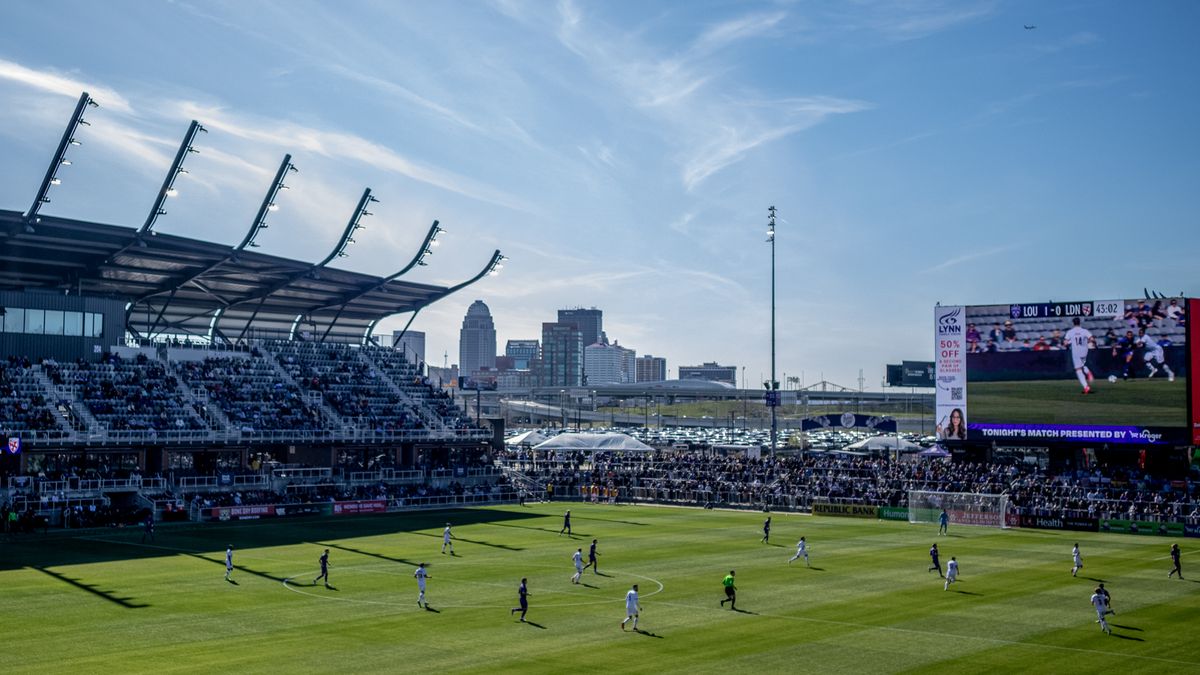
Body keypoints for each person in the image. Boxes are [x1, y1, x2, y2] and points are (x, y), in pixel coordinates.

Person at [1065, 317, 1096, 393]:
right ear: (1079, 322)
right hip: (1084, 351)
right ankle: (1088, 372)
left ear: (1073, 323)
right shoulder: (1084, 331)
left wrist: (1067, 346)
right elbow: (1092, 339)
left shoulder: (1070, 332)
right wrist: (1094, 343)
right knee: (1083, 364)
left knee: (1078, 369)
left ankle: (1086, 387)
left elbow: (1065, 342)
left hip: (1076, 352)